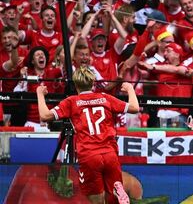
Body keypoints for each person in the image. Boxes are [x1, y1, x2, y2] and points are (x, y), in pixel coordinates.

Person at [36, 67, 140, 204]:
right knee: (113, 197)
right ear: (93, 83)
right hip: (110, 153)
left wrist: (40, 93)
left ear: (76, 85)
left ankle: (114, 189)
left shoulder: (71, 102)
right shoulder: (105, 98)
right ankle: (116, 188)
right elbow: (135, 108)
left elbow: (44, 116)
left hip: (89, 155)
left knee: (96, 200)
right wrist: (130, 89)